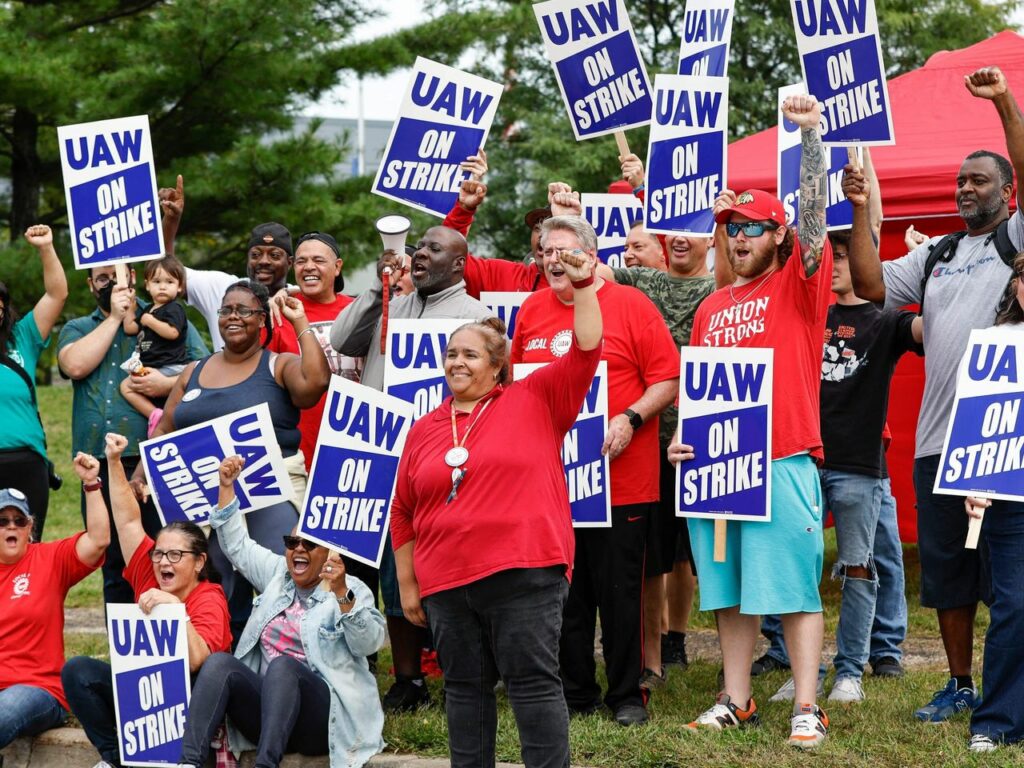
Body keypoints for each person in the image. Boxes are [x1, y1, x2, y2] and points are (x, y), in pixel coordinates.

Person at [844, 66, 1024, 723]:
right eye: (960, 181)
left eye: (978, 179)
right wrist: (863, 208)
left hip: (1004, 437)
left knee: (1010, 583)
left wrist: (1003, 101)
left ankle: (1008, 693)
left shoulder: (1016, 242)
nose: (964, 188)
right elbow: (867, 285)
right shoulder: (940, 252)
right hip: (936, 442)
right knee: (948, 576)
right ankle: (960, 682)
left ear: (1008, 191)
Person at [392, 246, 602, 768]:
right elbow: (403, 512)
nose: (456, 362)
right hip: (446, 584)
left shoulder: (535, 398)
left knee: (532, 683)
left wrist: (584, 288)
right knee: (463, 690)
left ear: (497, 364)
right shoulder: (424, 429)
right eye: (451, 354)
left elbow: (587, 348)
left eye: (469, 354)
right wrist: (408, 583)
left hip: (525, 571)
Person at [668, 94, 832, 749]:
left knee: (791, 589)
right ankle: (736, 700)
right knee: (728, 591)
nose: (739, 237)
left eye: (752, 227)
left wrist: (811, 136)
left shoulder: (799, 282)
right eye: (731, 227)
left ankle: (808, 706)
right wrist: (688, 439)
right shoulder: (710, 309)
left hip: (784, 455)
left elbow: (817, 222)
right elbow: (703, 389)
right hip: (718, 467)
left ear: (777, 236)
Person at [511, 214, 679, 727]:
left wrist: (631, 418)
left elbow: (668, 378)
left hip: (622, 480)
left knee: (621, 594)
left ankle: (626, 694)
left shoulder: (630, 305)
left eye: (564, 251)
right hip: (553, 485)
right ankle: (576, 691)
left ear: (591, 255)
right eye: (545, 252)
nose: (553, 261)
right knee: (565, 594)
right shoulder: (532, 311)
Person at [330, 225, 493, 711]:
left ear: (460, 264)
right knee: (391, 572)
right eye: (418, 247)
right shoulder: (392, 307)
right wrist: (379, 289)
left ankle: (465, 674)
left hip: (446, 460)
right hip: (385, 458)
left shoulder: (478, 317)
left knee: (450, 573)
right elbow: (341, 338)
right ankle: (408, 679)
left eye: (433, 249)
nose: (420, 254)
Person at [134, 280, 330, 639]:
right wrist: (140, 471)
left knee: (284, 577)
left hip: (269, 491)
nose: (233, 317)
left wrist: (300, 321)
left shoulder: (278, 365)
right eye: (226, 310)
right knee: (215, 582)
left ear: (263, 321)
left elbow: (315, 383)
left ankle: (288, 665)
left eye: (244, 310)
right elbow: (165, 428)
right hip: (205, 495)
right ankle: (219, 663)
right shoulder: (194, 370)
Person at [597, 153, 720, 691]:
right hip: (649, 439)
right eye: (672, 228)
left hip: (707, 439)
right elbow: (593, 268)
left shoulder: (721, 285)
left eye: (693, 230)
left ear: (711, 238)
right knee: (649, 560)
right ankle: (649, 659)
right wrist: (645, 191)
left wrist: (715, 217)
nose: (680, 238)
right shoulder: (639, 279)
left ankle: (682, 640)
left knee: (705, 556)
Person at [178, 455, 385, 768]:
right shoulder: (277, 574)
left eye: (308, 544)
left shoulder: (349, 587)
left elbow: (368, 644)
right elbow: (237, 546)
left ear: (328, 551)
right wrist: (226, 487)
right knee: (220, 663)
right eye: (291, 542)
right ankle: (188, 763)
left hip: (322, 721)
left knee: (283, 667)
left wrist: (342, 593)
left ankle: (265, 765)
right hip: (268, 714)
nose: (298, 549)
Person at [63, 433, 231, 768]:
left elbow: (200, 663)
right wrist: (113, 462)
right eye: (159, 554)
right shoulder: (148, 570)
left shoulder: (209, 597)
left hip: (187, 713)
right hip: (141, 703)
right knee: (78, 671)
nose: (163, 562)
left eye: (175, 555)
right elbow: (127, 521)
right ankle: (114, 760)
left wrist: (174, 609)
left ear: (198, 562)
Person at [57, 264, 208, 605]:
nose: (111, 283)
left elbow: (206, 368)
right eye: (102, 278)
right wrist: (114, 317)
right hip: (100, 464)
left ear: (134, 279)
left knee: (166, 556)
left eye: (117, 275)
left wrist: (167, 383)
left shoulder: (165, 314)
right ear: (90, 284)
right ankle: (124, 654)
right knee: (114, 563)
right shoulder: (77, 327)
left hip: (155, 457)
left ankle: (174, 650)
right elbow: (75, 365)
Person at [0, 456, 108, 751]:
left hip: (37, 690)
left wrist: (91, 484)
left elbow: (98, 540)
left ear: (30, 527)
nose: (11, 526)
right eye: (2, 521)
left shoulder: (48, 559)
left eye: (19, 520)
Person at [961, 251, 1024, 753]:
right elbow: (979, 428)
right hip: (1010, 502)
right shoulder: (998, 344)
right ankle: (996, 720)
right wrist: (975, 478)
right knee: (1013, 606)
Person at [158, 174, 292, 350]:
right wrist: (171, 222)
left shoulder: (297, 300)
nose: (263, 261)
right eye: (256, 254)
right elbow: (161, 271)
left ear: (290, 263)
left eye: (274, 255)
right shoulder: (222, 287)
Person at [0, 225, 67, 540]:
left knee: (29, 548)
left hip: (28, 462)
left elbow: (57, 294)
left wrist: (46, 248)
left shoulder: (22, 337)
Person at [119, 255, 191, 428]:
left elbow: (172, 332)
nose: (163, 287)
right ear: (148, 285)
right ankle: (155, 416)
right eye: (157, 281)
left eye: (169, 282)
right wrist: (130, 304)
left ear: (179, 286)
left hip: (171, 366)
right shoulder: (149, 309)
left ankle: (169, 418)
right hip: (153, 367)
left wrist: (149, 321)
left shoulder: (174, 308)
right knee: (126, 386)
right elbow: (129, 328)